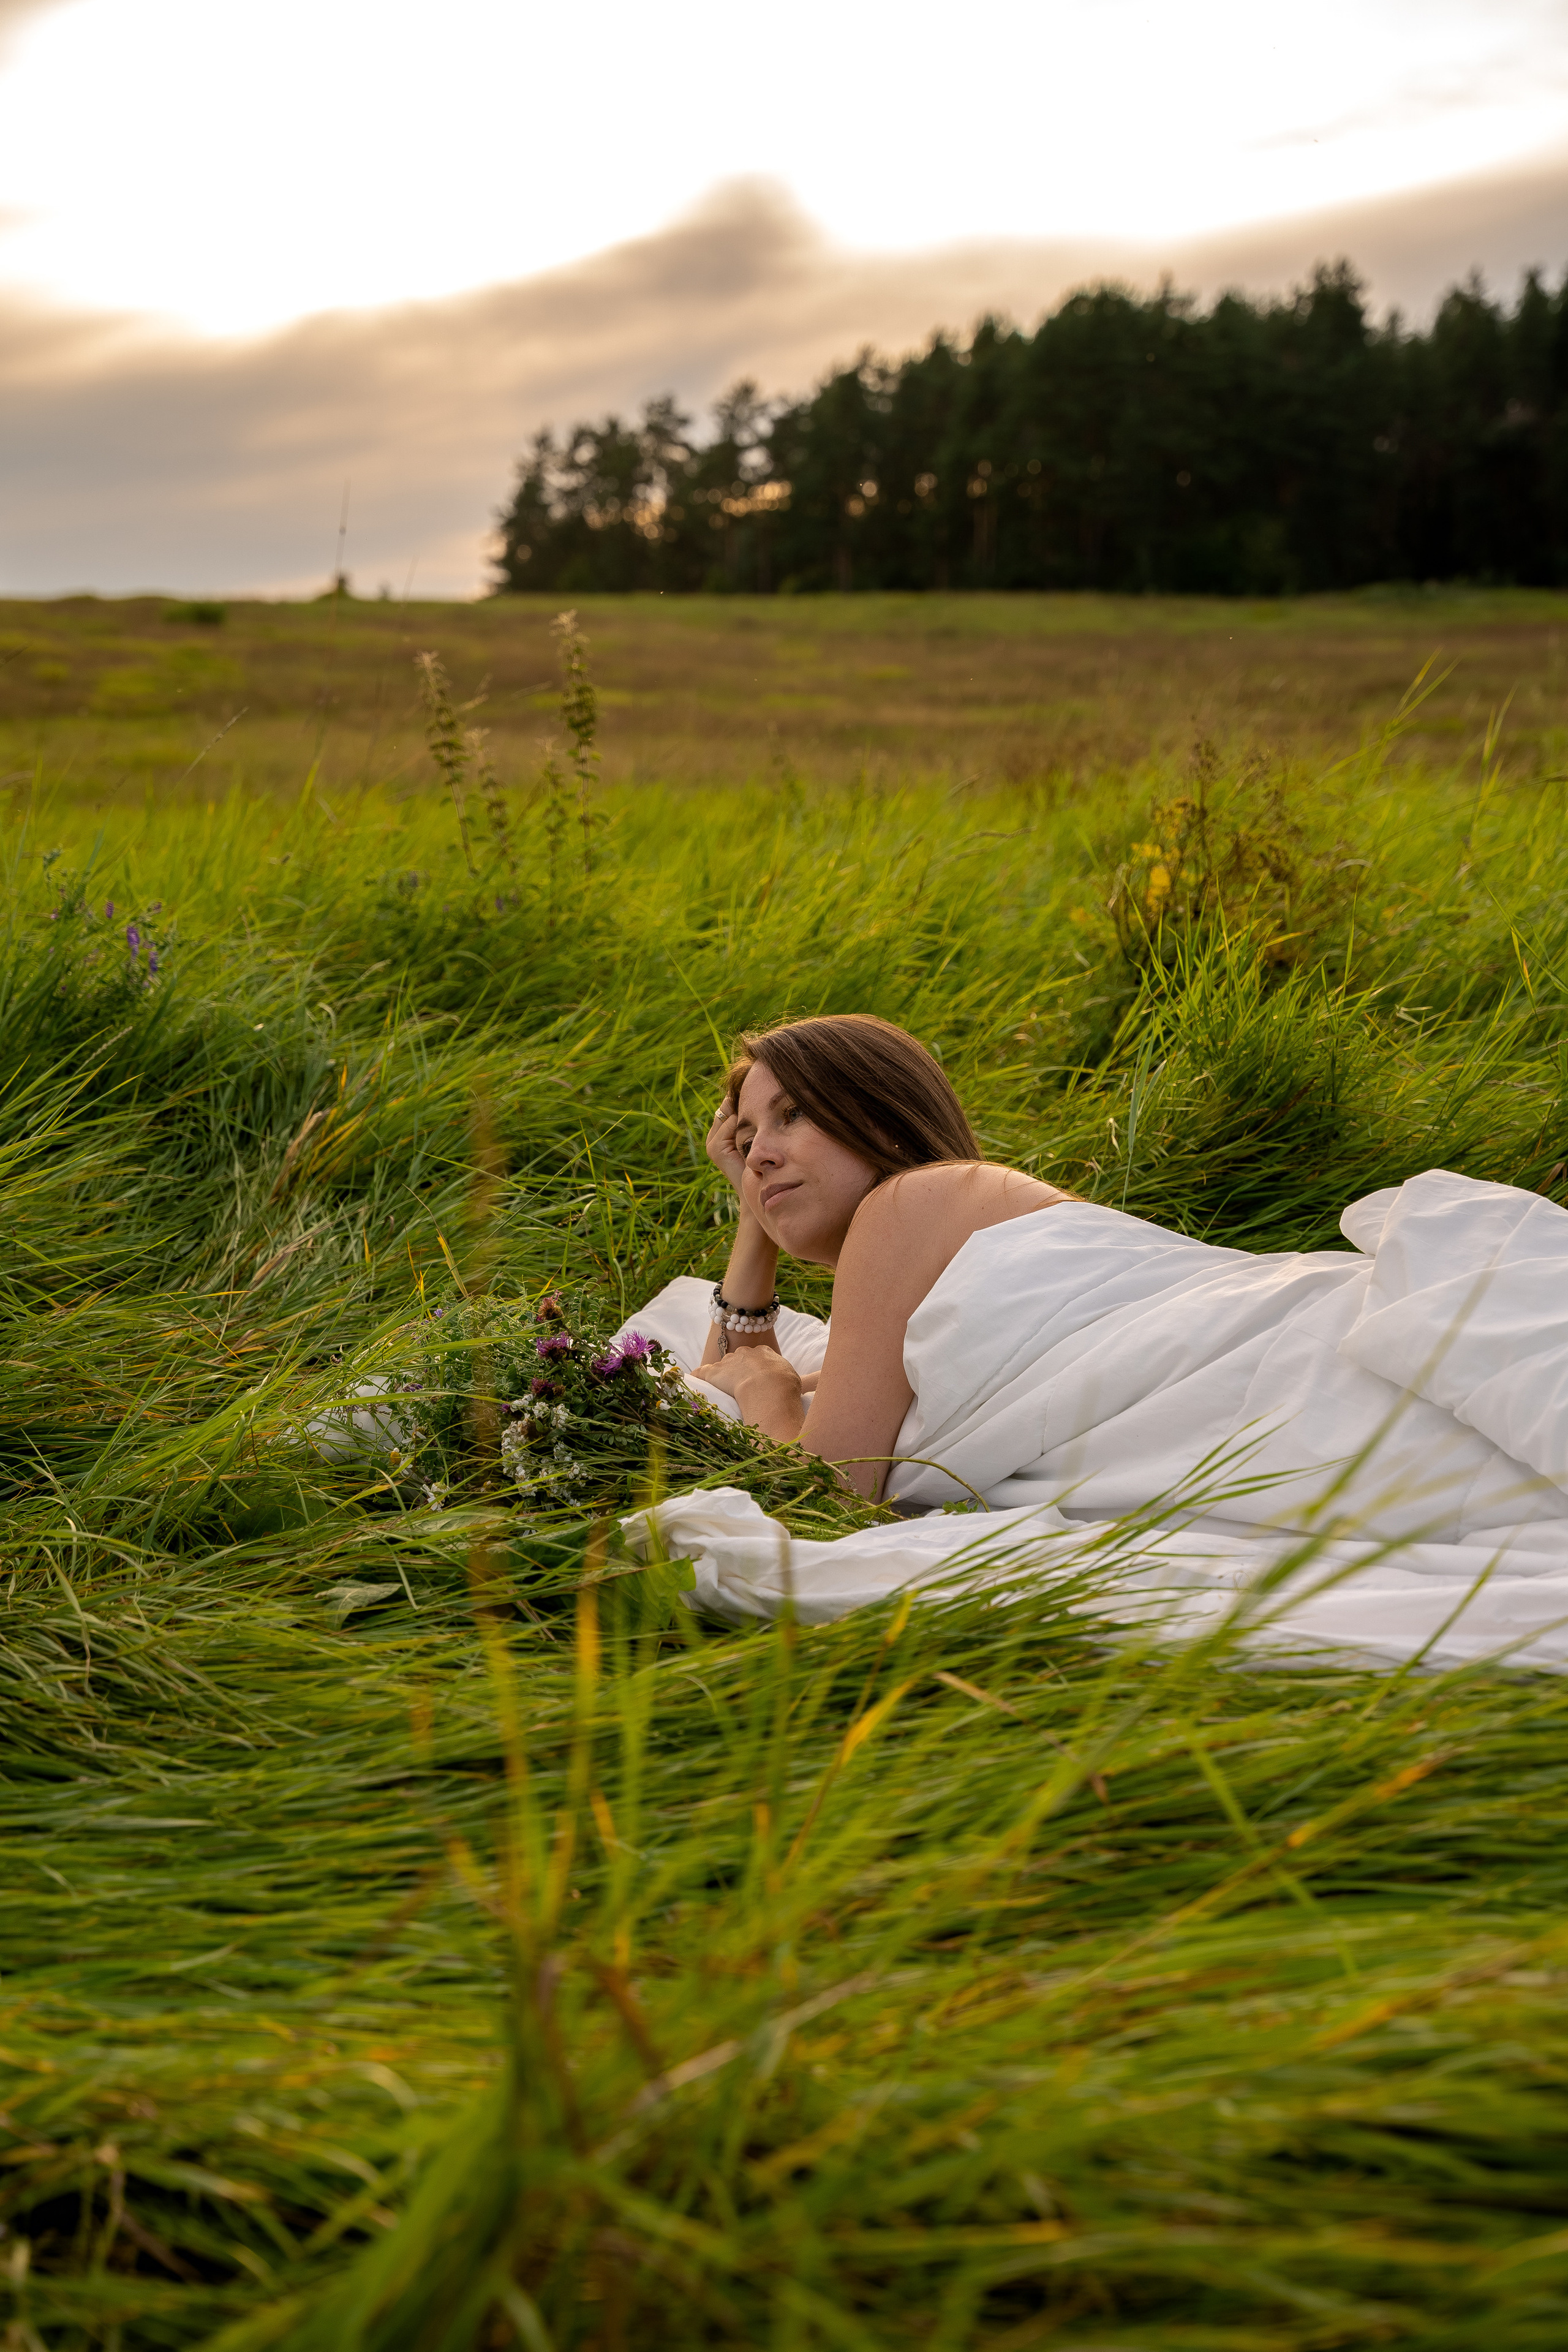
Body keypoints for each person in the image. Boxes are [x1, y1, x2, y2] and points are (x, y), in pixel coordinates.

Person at [693, 1013, 1070, 1500]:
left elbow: (827, 1499)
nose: (759, 1155)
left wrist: (770, 1389)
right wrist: (754, 1212)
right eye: (746, 1146)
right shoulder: (931, 1239)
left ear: (884, 1116)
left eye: (792, 1114)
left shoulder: (910, 1200)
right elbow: (713, 1395)